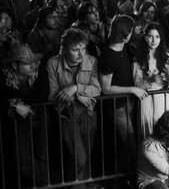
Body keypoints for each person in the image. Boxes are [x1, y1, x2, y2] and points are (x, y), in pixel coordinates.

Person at [46, 28, 101, 182]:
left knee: (85, 156)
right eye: (75, 49)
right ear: (64, 49)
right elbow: (52, 94)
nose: (81, 54)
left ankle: (78, 184)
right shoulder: (53, 63)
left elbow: (97, 89)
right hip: (67, 115)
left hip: (88, 112)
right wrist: (80, 96)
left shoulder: (92, 61)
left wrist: (75, 89)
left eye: (83, 48)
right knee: (79, 158)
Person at [98, 14, 147, 175]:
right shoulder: (108, 55)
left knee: (129, 142)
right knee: (128, 143)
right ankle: (124, 178)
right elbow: (106, 88)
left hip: (126, 103)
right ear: (124, 34)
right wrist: (132, 89)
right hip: (116, 106)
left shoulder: (123, 48)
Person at [0, 43, 49, 187]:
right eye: (27, 63)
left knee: (42, 156)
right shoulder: (4, 78)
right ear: (15, 65)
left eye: (33, 61)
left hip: (39, 118)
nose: (33, 66)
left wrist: (17, 102)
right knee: (24, 162)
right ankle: (53, 182)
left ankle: (48, 184)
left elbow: (43, 95)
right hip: (17, 125)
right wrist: (15, 105)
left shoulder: (38, 72)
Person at [133, 23, 169, 143]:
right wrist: (150, 79)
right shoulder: (138, 58)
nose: (154, 40)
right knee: (147, 131)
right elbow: (136, 84)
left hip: (163, 96)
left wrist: (168, 79)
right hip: (146, 97)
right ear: (145, 37)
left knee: (165, 130)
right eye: (151, 36)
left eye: (157, 36)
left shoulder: (166, 56)